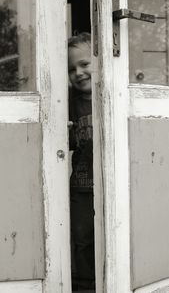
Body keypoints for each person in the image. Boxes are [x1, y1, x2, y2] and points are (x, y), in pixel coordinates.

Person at [68, 32, 95, 291]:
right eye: (71, 68)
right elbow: (66, 143)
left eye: (84, 64)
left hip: (112, 184)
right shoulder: (68, 104)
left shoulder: (112, 99)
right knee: (82, 238)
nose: (78, 72)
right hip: (82, 185)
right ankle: (86, 285)